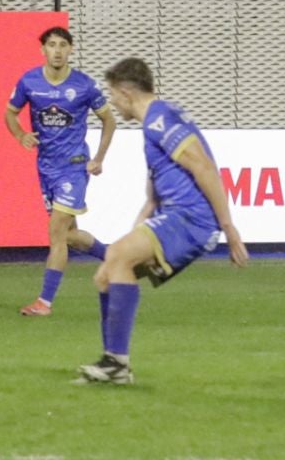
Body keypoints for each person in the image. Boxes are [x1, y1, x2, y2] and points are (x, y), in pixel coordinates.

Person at [80, 57, 247, 384]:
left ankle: (116, 364)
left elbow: (203, 166)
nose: (112, 102)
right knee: (106, 275)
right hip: (174, 215)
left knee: (117, 257)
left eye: (113, 94)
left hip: (191, 218)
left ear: (126, 92)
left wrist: (229, 228)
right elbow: (155, 193)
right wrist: (139, 225)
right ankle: (113, 362)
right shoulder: (156, 121)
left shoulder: (159, 119)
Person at [4, 26, 118, 317]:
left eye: (62, 45)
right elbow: (10, 112)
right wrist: (20, 135)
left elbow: (109, 121)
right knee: (69, 236)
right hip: (46, 166)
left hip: (74, 165)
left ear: (71, 50)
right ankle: (116, 259)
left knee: (55, 232)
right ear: (43, 50)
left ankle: (44, 302)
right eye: (51, 45)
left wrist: (99, 158)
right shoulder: (29, 82)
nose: (57, 50)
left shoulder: (83, 85)